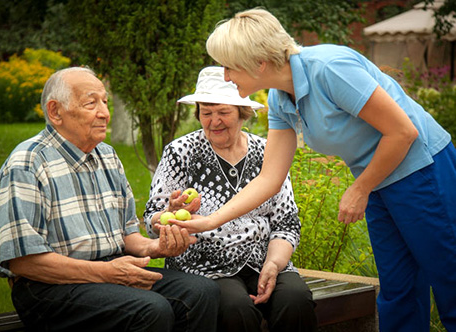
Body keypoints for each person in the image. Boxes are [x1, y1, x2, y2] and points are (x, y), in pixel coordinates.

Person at [168, 8, 456, 332]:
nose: (225, 77)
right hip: (377, 179)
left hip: (421, 170)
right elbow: (269, 178)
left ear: (258, 62)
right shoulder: (280, 99)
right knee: (398, 289)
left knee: (449, 279)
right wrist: (210, 220)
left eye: (229, 66)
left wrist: (360, 189)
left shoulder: (330, 68)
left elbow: (403, 132)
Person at [0, 67, 220, 332]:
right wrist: (107, 273)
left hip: (110, 271)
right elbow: (24, 261)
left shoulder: (107, 155)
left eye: (105, 102)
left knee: (202, 292)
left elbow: (127, 236)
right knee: (151, 310)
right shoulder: (27, 163)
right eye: (91, 103)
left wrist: (157, 248)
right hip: (47, 287)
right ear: (55, 112)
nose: (104, 113)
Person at [144, 66, 317, 332]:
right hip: (204, 265)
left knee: (295, 299)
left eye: (223, 112)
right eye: (206, 113)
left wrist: (273, 264)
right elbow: (151, 218)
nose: (214, 121)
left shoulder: (266, 152)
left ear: (242, 113)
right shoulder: (181, 152)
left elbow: (287, 222)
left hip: (265, 258)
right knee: (235, 309)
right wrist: (169, 212)